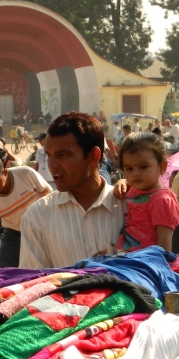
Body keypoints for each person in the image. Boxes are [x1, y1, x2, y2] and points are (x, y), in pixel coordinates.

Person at [20, 112, 125, 268]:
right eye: (49, 155)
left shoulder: (129, 206)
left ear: (93, 156)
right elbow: (34, 282)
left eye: (62, 155)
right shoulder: (38, 216)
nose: (52, 165)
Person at [0, 156, 51, 268]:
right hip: (14, 233)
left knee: (47, 269)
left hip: (43, 229)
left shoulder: (26, 174)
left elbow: (51, 197)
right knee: (2, 273)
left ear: (5, 172)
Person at [117, 132, 179, 252]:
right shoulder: (136, 189)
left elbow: (164, 244)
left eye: (143, 167)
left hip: (146, 263)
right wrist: (121, 182)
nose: (136, 173)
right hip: (125, 259)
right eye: (129, 169)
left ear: (162, 167)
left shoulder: (162, 200)